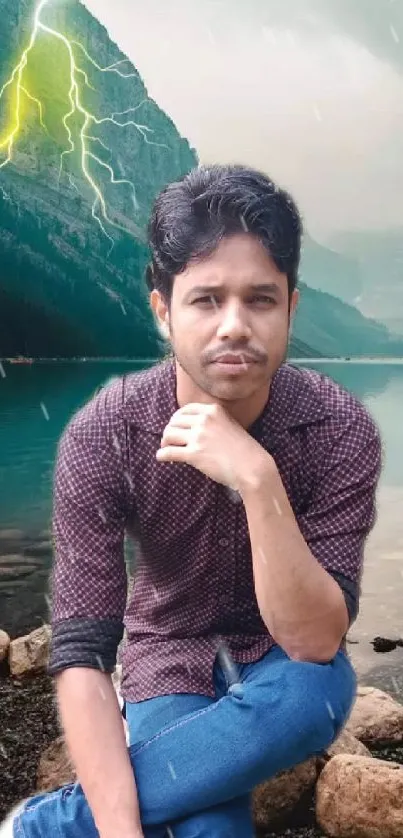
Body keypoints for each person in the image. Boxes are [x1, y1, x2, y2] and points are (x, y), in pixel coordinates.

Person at [9, 164, 381, 838]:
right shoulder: (106, 434)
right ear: (163, 310)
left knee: (312, 693)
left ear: (291, 308)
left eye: (260, 299)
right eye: (206, 299)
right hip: (167, 648)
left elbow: (315, 637)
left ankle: (51, 824)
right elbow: (83, 651)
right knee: (210, 829)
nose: (234, 326)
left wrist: (258, 479)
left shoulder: (337, 429)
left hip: (282, 663)